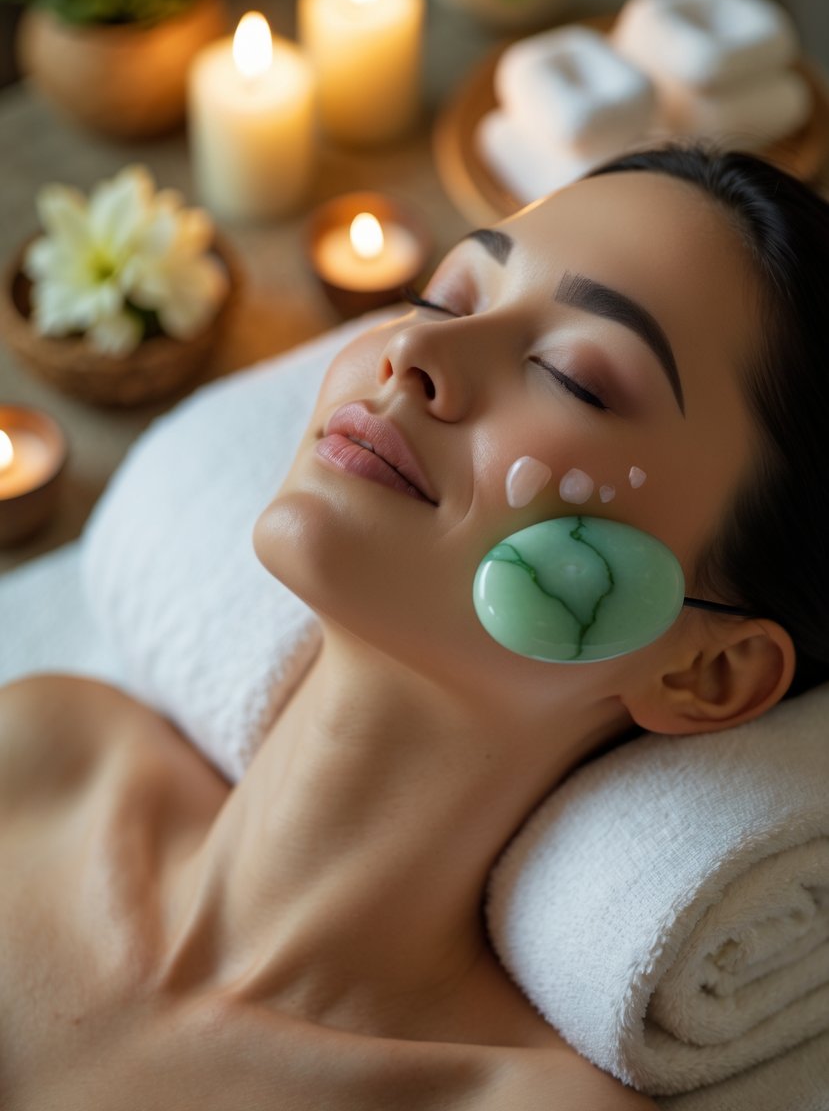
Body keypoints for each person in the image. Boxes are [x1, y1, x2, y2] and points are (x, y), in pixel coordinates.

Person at [1, 146, 827, 1109]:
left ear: (708, 673)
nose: (415, 353)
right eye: (447, 295)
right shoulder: (41, 762)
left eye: (576, 378)